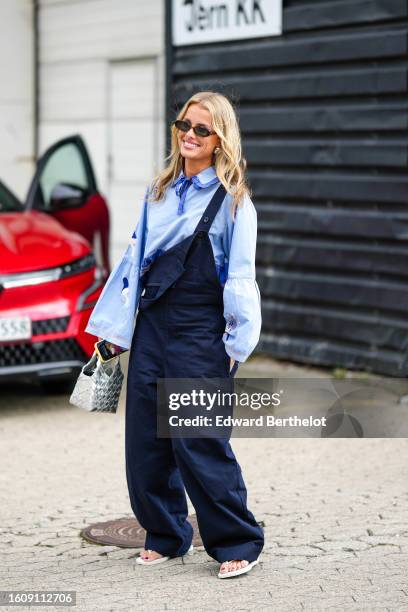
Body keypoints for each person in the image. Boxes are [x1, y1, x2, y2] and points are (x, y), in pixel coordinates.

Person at [85, 90, 264, 579]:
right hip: (154, 324)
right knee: (145, 440)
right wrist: (114, 332)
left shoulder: (234, 203)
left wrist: (236, 345)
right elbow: (132, 265)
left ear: (220, 138)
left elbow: (241, 277)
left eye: (201, 129)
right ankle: (165, 534)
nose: (188, 134)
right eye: (183, 124)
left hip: (201, 328)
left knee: (197, 438)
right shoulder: (157, 191)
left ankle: (237, 543)